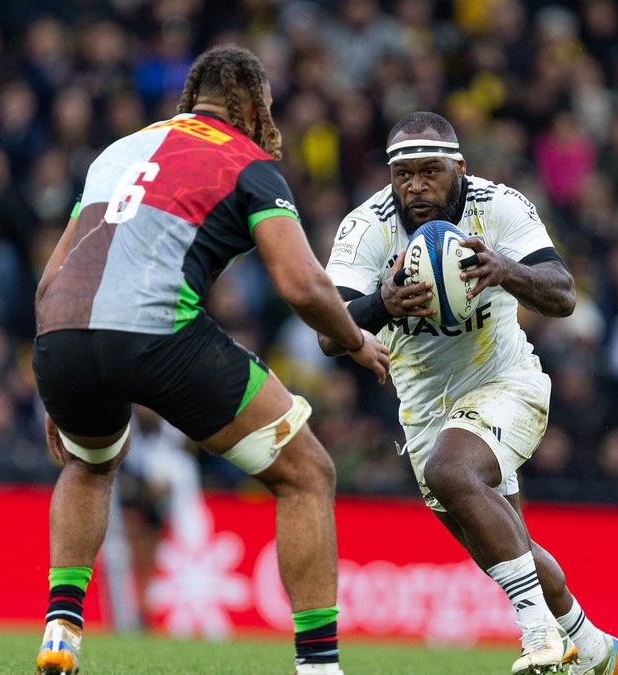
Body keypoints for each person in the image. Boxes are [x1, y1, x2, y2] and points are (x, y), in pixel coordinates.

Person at [31, 45, 389, 675]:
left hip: (60, 335)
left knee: (90, 465)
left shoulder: (116, 152)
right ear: (252, 105)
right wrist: (359, 343)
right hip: (154, 334)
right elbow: (302, 285)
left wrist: (54, 386)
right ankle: (320, 667)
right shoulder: (248, 162)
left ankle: (62, 628)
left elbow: (49, 282)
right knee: (307, 473)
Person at [320, 111, 618, 675]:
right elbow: (328, 330)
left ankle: (540, 638)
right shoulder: (366, 227)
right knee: (511, 549)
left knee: (452, 473)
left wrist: (506, 269)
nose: (415, 187)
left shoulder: (500, 206)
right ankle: (594, 649)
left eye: (430, 172)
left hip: (506, 381)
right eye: (404, 175)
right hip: (424, 412)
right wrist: (380, 306)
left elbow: (563, 295)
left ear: (459, 167)